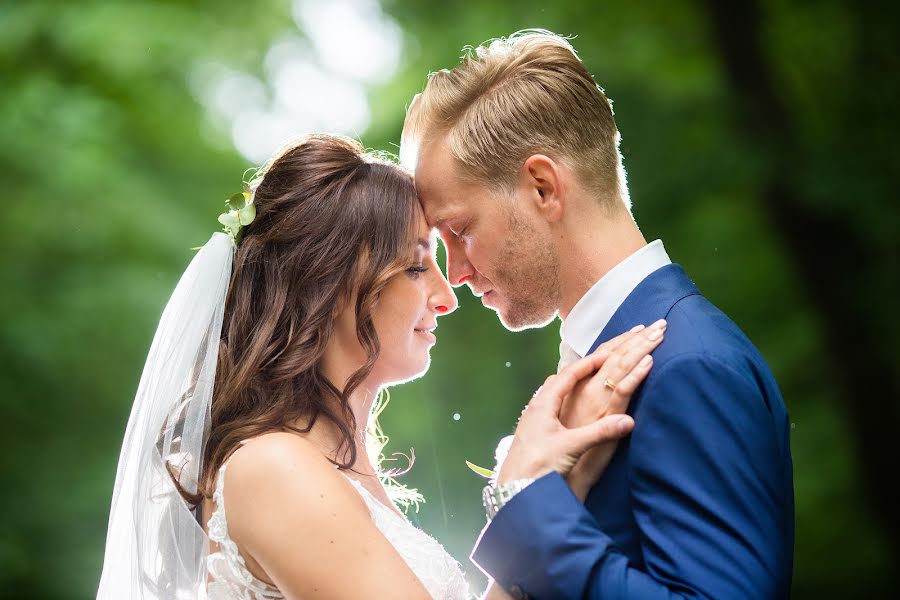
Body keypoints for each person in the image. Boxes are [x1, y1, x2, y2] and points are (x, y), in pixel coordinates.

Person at [96, 133, 661, 599]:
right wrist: (517, 491)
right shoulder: (274, 469)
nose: (447, 295)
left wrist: (566, 481)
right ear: (332, 285)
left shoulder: (330, 465)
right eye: (418, 268)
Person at [402, 30, 795, 599]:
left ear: (542, 188)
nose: (455, 274)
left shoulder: (691, 366)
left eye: (460, 232)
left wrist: (527, 508)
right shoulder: (619, 359)